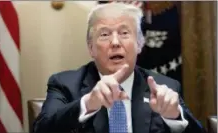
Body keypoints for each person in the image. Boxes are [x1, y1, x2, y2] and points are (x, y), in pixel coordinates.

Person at [33, 3, 206, 133]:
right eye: (105, 34)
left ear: (139, 44)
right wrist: (88, 103)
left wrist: (175, 117)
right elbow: (41, 129)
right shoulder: (65, 85)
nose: (115, 42)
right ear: (90, 48)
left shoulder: (165, 86)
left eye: (124, 33)